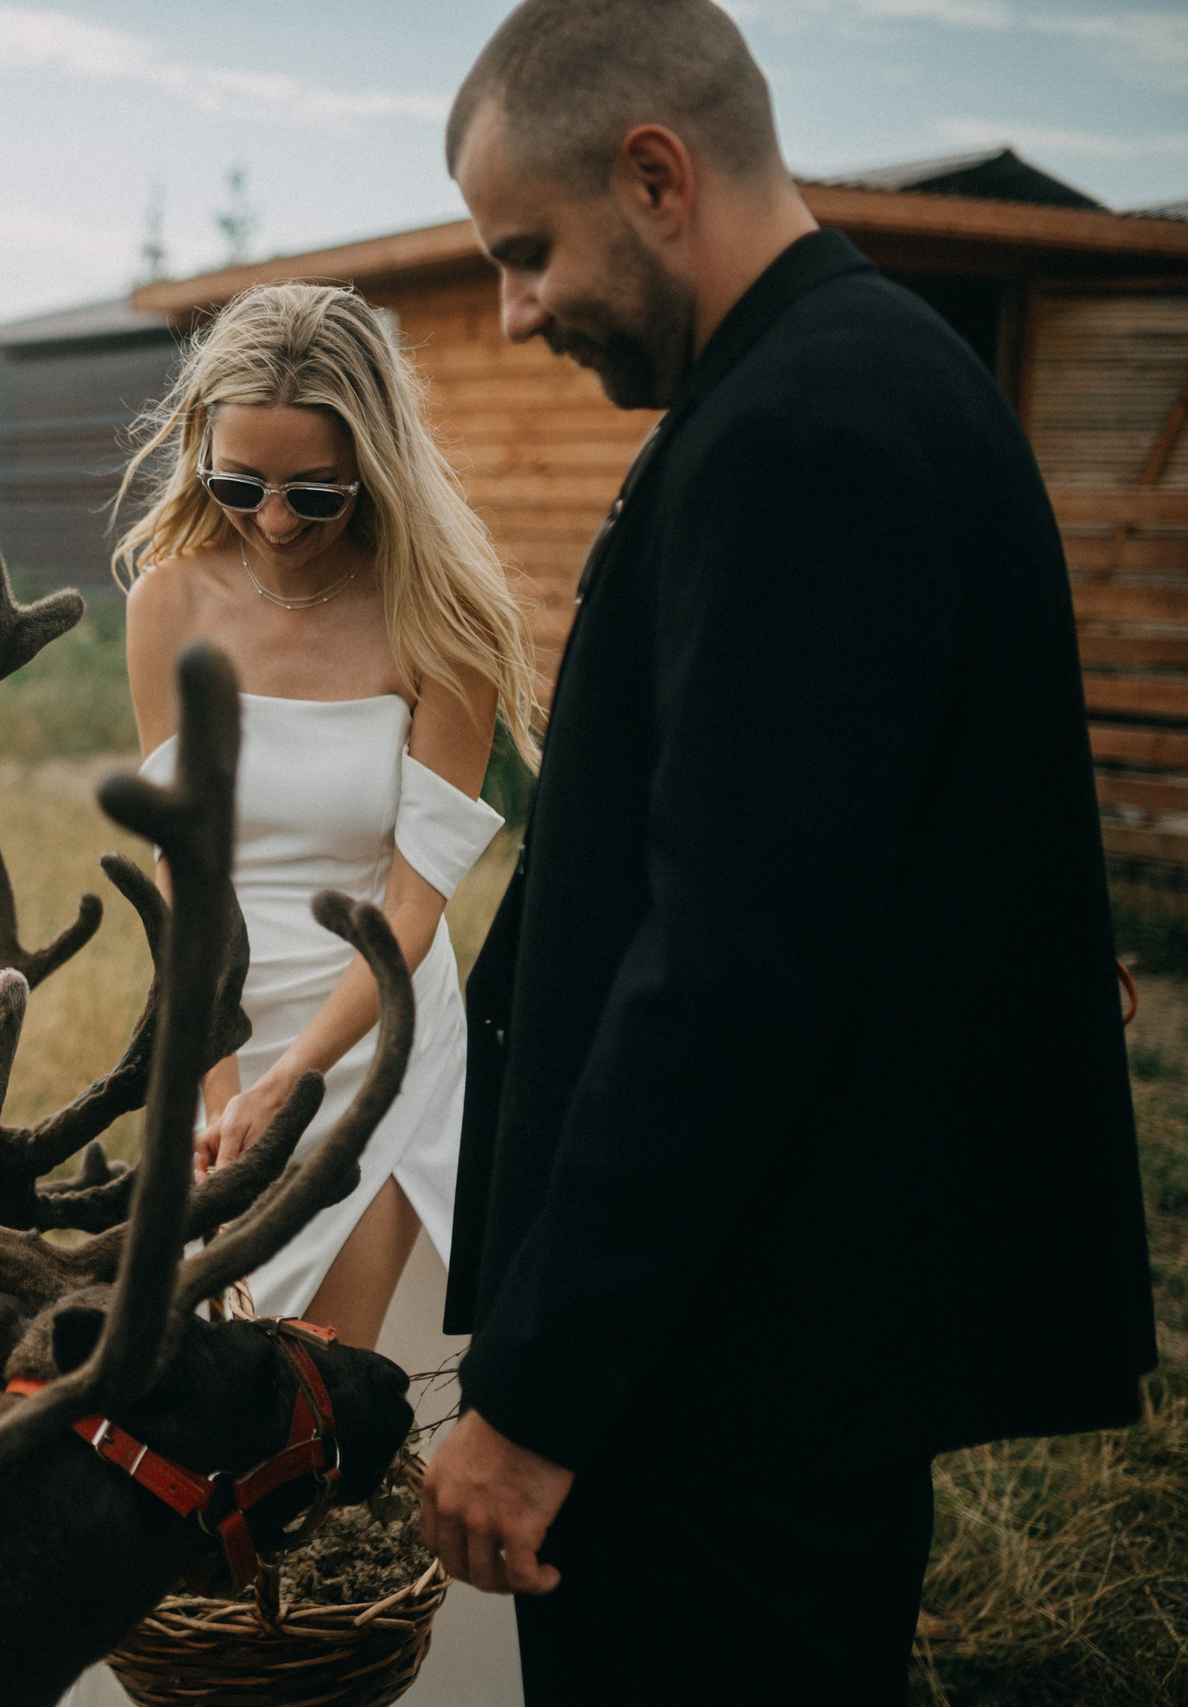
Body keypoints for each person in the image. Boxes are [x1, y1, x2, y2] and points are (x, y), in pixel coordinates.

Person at [422, 3, 1158, 1703]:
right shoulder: (864, 375)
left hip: (725, 1375)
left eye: (526, 253)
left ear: (656, 175)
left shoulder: (802, 433)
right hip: (768, 1342)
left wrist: (539, 1397)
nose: (516, 310)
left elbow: (731, 974)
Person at [115, 281, 540, 1347]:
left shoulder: (441, 623)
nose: (271, 522)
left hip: (377, 1045)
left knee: (320, 1387)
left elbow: (413, 906)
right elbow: (184, 877)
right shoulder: (168, 601)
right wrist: (220, 1092)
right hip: (217, 1037)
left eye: (314, 495)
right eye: (238, 484)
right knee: (207, 1380)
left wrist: (289, 1083)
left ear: (373, 467)